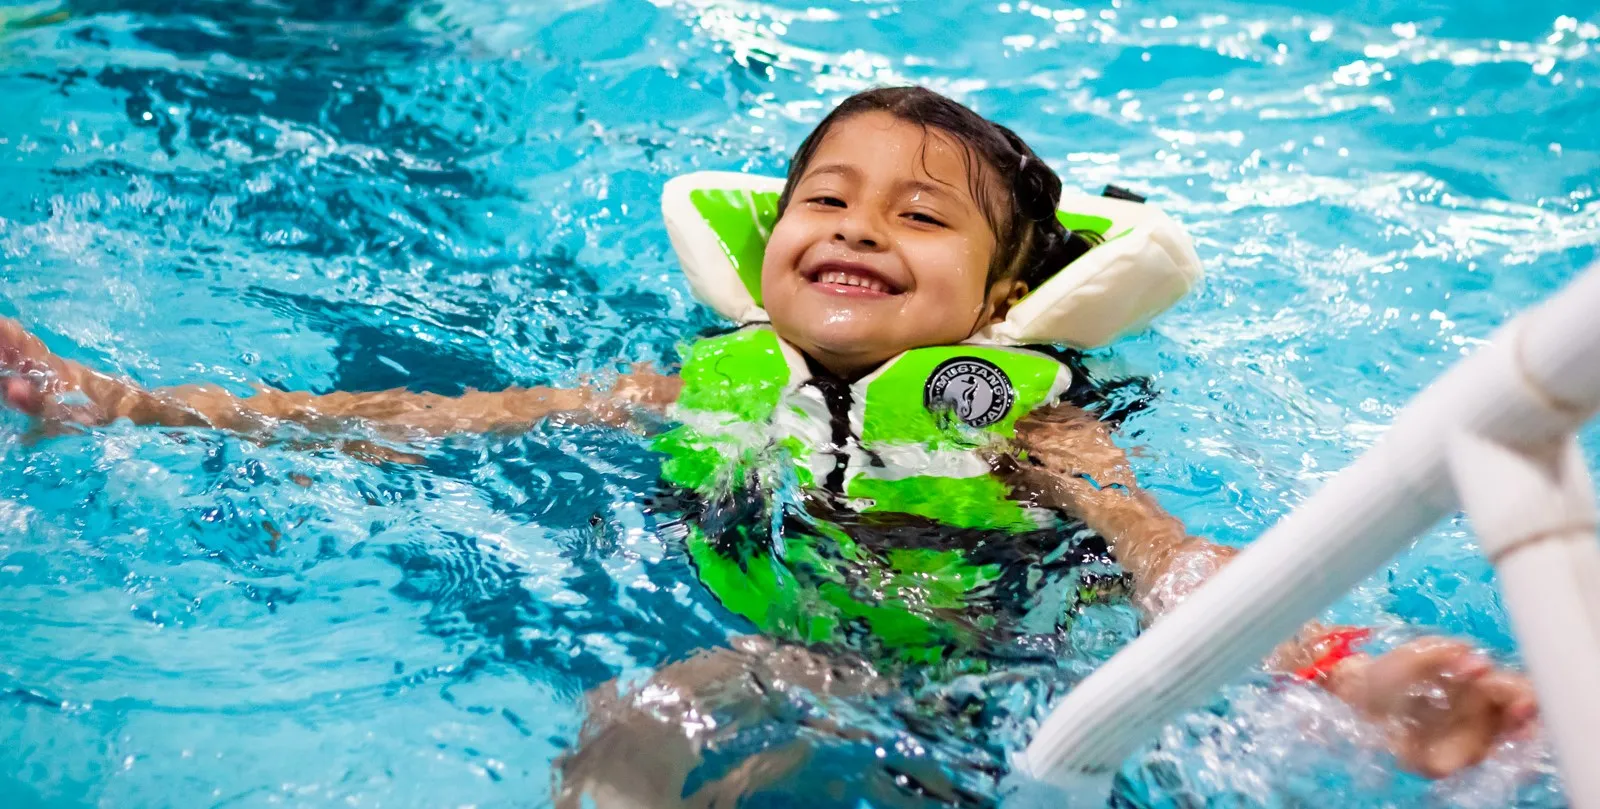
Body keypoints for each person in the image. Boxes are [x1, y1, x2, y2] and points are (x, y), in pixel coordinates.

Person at [0, 87, 1538, 801]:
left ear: (1000, 298)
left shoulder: (1030, 427)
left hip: (955, 673)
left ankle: (1390, 700)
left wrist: (1334, 657)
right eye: (828, 200)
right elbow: (420, 423)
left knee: (661, 707)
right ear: (773, 237)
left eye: (919, 218)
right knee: (721, 739)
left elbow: (1171, 567)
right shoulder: (696, 383)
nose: (859, 228)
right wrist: (119, 401)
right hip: (798, 655)